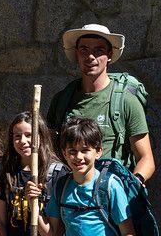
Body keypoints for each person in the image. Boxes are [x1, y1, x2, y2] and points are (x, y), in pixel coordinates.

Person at [44, 23, 154, 183]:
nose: (90, 56)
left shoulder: (126, 100)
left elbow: (146, 159)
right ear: (76, 54)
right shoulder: (62, 100)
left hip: (110, 197)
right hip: (69, 198)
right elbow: (49, 152)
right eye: (84, 50)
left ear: (109, 55)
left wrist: (131, 187)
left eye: (98, 50)